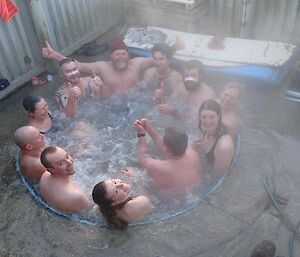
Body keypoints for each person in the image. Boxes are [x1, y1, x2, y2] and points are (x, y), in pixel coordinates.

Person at [42, 38, 183, 97]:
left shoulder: (137, 63)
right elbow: (77, 65)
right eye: (117, 54)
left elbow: (159, 59)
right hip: (111, 105)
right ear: (111, 56)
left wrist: (174, 48)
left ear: (128, 55)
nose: (121, 56)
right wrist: (54, 55)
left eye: (123, 53)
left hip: (135, 101)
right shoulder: (102, 67)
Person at [133, 118, 202, 192]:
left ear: (167, 149)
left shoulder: (160, 167)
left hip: (169, 201)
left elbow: (141, 157)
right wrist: (149, 128)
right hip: (193, 192)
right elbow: (164, 146)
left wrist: (141, 134)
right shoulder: (192, 153)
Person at [40, 146, 92, 213]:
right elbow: (91, 210)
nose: (70, 163)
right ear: (51, 170)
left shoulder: (44, 176)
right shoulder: (77, 196)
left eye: (67, 156)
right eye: (61, 163)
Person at [192, 100, 235, 178]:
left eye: (212, 117)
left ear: (218, 117)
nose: (207, 122)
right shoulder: (208, 130)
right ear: (199, 117)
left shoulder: (223, 147)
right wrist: (194, 148)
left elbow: (217, 177)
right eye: (204, 117)